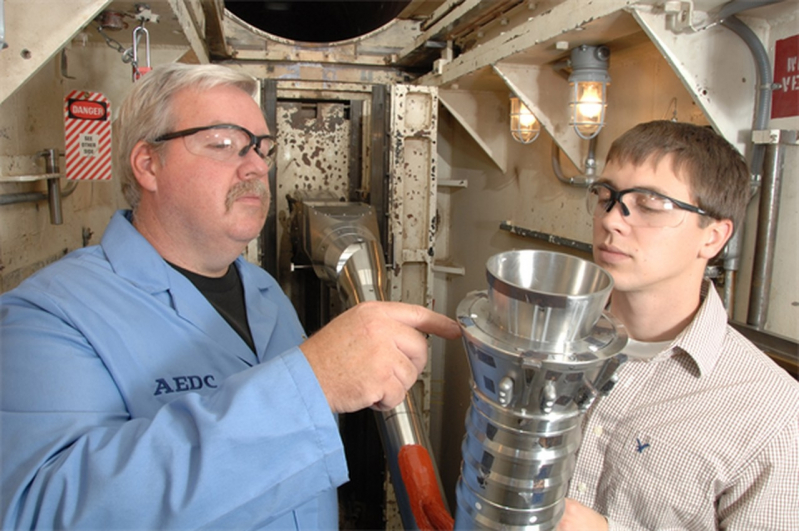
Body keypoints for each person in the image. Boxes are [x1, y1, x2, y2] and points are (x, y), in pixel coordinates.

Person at [0, 63, 460, 530]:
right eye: (223, 143)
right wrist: (313, 383)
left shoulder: (265, 293)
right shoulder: (50, 315)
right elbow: (40, 513)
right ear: (148, 164)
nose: (257, 166)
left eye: (262, 149)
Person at [557, 120, 799, 530]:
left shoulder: (774, 417)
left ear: (714, 237)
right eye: (606, 196)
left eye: (650, 205)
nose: (612, 221)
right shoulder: (550, 339)